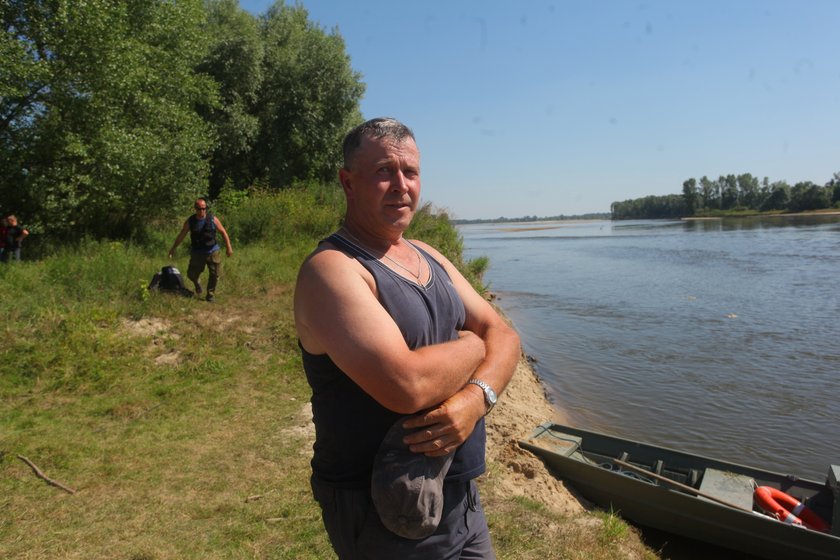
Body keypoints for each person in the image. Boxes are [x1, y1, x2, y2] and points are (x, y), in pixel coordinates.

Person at [294, 117, 520, 559]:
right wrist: (473, 346)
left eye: (410, 172)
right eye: (383, 171)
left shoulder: (429, 255)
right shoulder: (333, 270)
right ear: (348, 182)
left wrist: (476, 400)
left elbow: (505, 335)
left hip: (459, 494)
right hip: (385, 510)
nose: (401, 185)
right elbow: (406, 385)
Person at [168, 198, 233, 302]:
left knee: (215, 274)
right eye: (199, 209)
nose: (202, 211)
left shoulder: (212, 219)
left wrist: (229, 247)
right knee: (191, 274)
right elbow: (182, 235)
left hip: (212, 251)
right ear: (195, 209)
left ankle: (210, 295)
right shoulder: (190, 221)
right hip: (197, 252)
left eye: (204, 208)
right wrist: (173, 248)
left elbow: (223, 232)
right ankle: (197, 283)